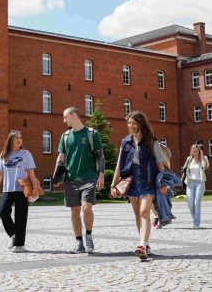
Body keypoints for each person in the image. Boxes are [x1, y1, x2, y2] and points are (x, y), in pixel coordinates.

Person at [109, 111, 168, 260]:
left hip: (148, 180)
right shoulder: (125, 142)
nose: (131, 126)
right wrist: (113, 184)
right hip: (131, 181)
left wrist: (163, 182)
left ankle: (142, 244)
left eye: (135, 123)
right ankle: (145, 244)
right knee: (137, 214)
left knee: (143, 212)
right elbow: (119, 165)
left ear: (141, 124)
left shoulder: (151, 141)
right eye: (129, 123)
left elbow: (160, 163)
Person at [53, 106, 105, 254]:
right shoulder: (65, 136)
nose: (64, 120)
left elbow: (100, 156)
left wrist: (101, 175)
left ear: (74, 115)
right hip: (71, 178)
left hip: (89, 177)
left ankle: (88, 236)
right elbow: (61, 157)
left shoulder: (92, 134)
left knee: (86, 208)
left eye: (65, 117)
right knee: (74, 211)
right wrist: (57, 176)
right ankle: (79, 242)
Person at [0, 130, 37, 252]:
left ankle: (20, 245)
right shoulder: (4, 155)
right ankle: (13, 234)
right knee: (2, 211)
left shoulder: (26, 153)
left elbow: (31, 171)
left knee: (21, 217)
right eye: (16, 138)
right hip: (8, 189)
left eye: (20, 138)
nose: (19, 140)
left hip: (22, 189)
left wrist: (35, 187)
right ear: (10, 140)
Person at [181, 143, 209, 228]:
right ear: (191, 151)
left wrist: (202, 157)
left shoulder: (204, 158)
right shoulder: (189, 159)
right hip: (190, 183)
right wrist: (181, 179)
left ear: (199, 151)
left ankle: (196, 223)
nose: (195, 152)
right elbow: (184, 169)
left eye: (197, 151)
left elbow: (205, 167)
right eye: (194, 151)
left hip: (200, 183)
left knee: (197, 202)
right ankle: (196, 218)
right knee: (190, 203)